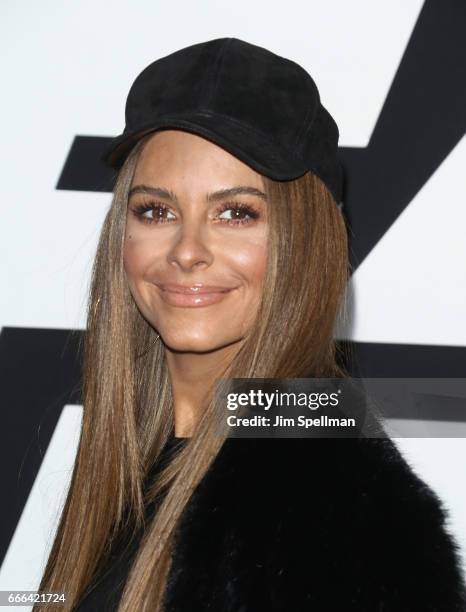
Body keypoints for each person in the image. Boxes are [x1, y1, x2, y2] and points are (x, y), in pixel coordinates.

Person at [35, 38, 466, 611]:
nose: (188, 250)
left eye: (235, 213)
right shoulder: (132, 462)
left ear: (306, 242)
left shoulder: (332, 502)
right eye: (156, 210)